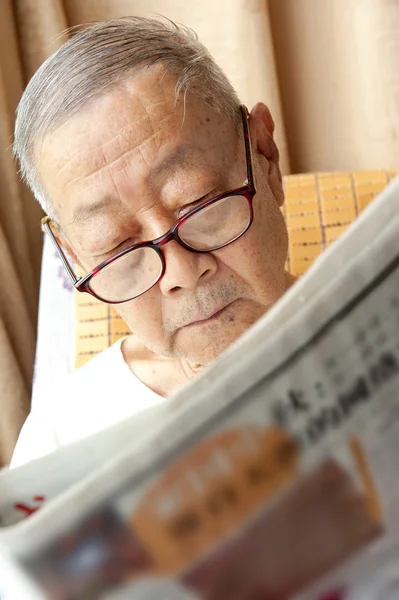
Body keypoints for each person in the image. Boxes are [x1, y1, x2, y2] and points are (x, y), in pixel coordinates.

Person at [11, 16, 295, 467]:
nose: (181, 274)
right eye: (118, 247)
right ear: (75, 258)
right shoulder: (60, 441)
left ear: (265, 157)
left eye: (197, 203)